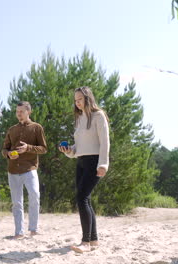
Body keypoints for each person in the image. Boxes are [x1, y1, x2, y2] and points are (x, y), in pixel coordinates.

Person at [58, 86, 110, 253]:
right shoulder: (80, 119)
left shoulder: (98, 115)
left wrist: (103, 164)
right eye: (75, 100)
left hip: (94, 161)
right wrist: (69, 151)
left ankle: (85, 242)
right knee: (85, 199)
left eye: (80, 99)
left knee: (82, 198)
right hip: (81, 162)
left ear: (88, 98)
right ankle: (93, 240)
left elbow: (104, 142)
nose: (77, 102)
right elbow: (78, 148)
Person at [2, 101, 47, 239]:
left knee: (34, 195)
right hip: (13, 170)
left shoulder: (37, 128)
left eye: (21, 111)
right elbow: (4, 149)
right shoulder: (12, 130)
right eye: (17, 111)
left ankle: (33, 229)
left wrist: (28, 147)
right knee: (17, 202)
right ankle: (19, 232)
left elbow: (43, 149)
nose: (18, 114)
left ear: (29, 112)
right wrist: (8, 154)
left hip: (30, 168)